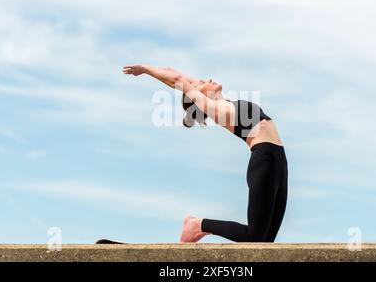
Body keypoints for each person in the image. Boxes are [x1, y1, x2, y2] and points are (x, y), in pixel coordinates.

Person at [123, 64, 288, 243]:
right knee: (255, 236)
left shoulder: (221, 101)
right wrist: (146, 69)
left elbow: (177, 74)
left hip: (279, 162)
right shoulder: (209, 106)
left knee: (265, 242)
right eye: (200, 84)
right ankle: (198, 224)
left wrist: (166, 70)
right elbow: (178, 81)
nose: (205, 79)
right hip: (264, 161)